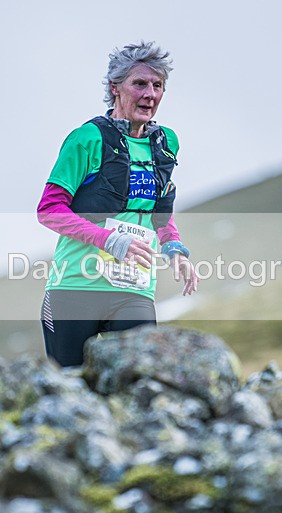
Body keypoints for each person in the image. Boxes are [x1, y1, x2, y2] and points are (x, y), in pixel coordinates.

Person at [37, 41, 198, 367]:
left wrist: (174, 247)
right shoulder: (87, 139)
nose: (149, 94)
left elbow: (159, 212)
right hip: (76, 286)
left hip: (134, 290)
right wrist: (109, 240)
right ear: (115, 88)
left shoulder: (166, 143)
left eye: (157, 86)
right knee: (70, 391)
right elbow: (49, 210)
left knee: (138, 381)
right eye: (139, 84)